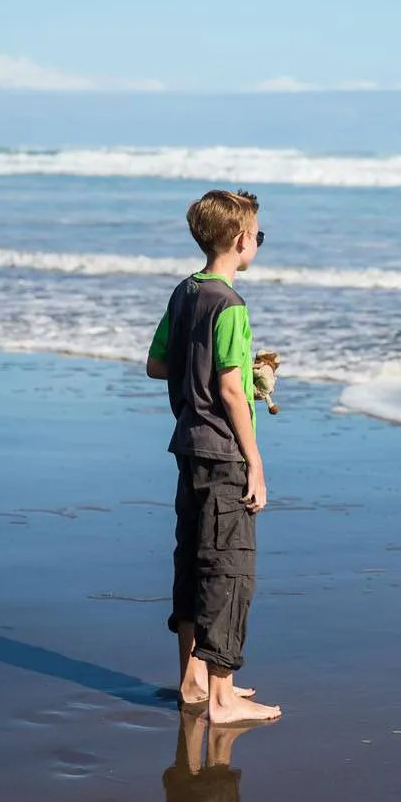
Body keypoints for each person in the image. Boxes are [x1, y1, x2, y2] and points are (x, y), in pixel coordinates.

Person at [146, 189, 280, 725]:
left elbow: (159, 365)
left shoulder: (185, 292)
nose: (258, 243)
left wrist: (222, 370)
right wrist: (257, 461)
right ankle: (222, 700)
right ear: (242, 239)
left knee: (192, 559)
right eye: (259, 236)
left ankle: (192, 680)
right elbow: (228, 391)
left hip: (187, 446)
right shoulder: (230, 305)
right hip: (223, 451)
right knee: (229, 569)